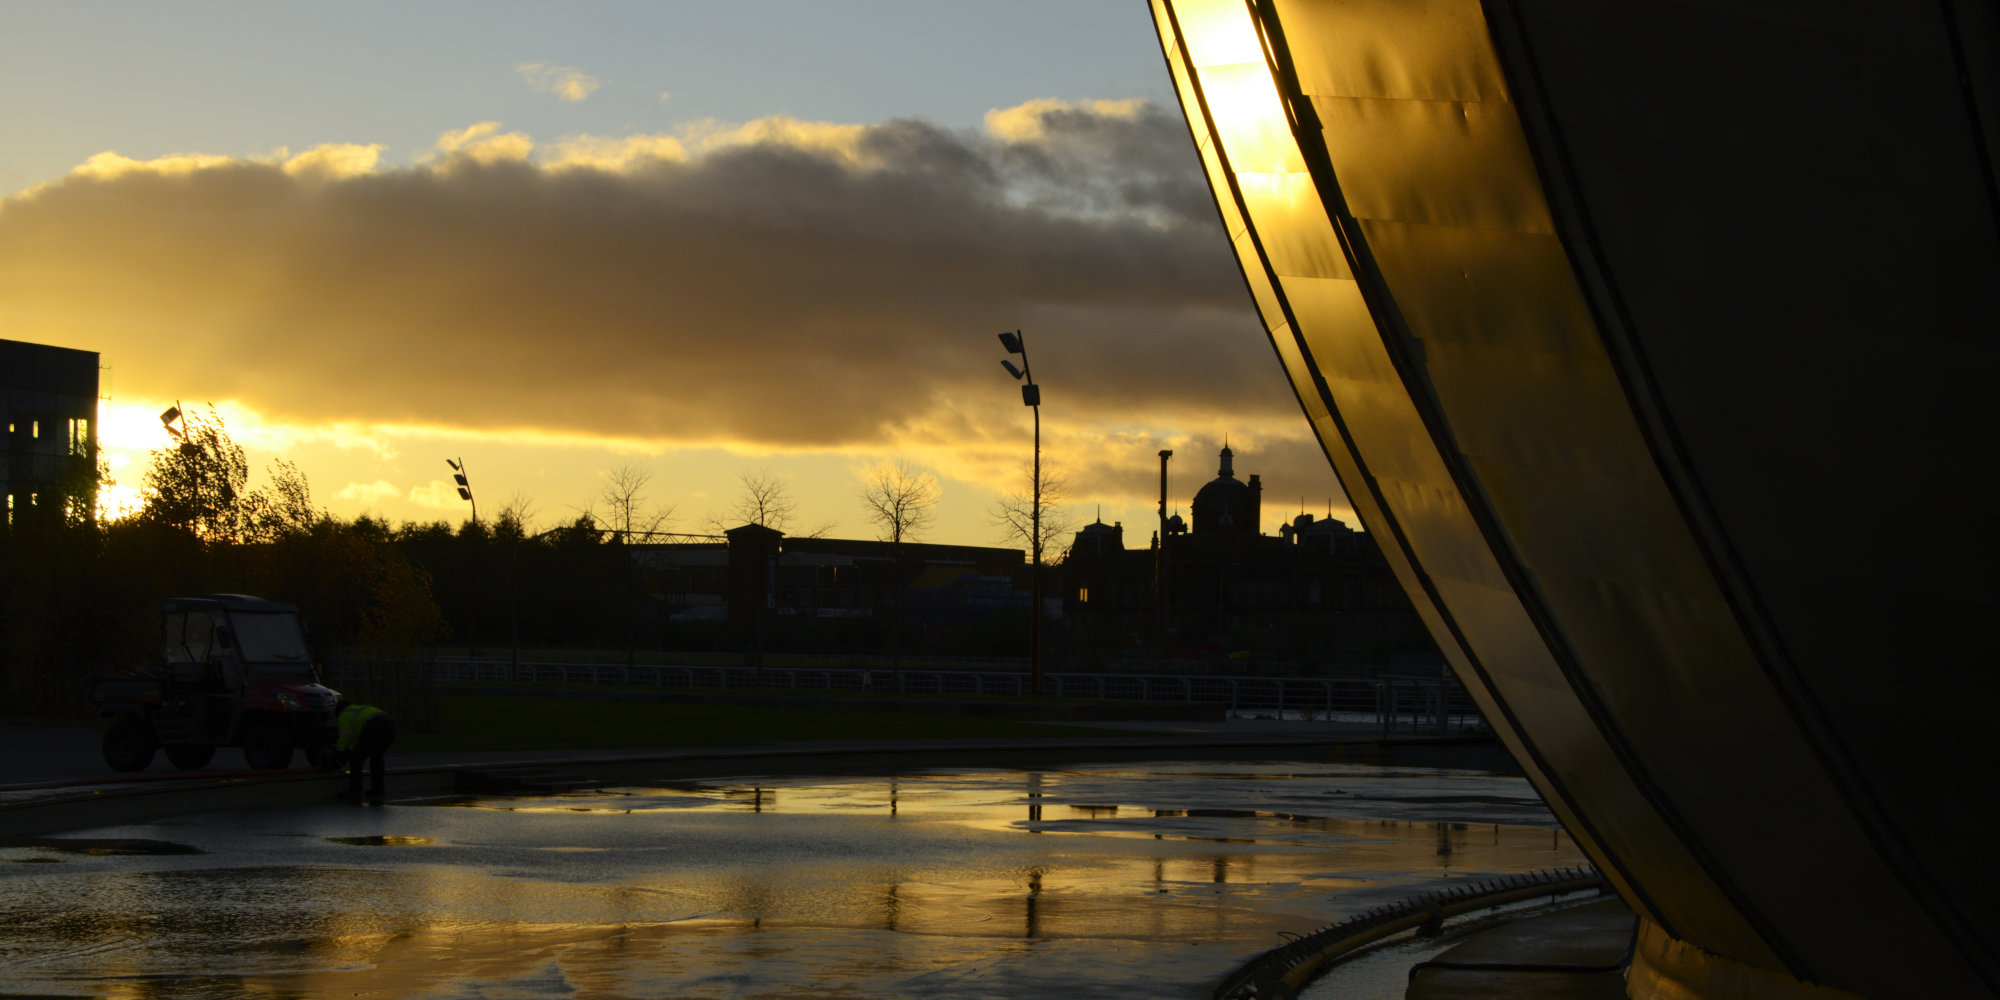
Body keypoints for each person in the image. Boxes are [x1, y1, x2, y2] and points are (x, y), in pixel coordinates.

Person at [334, 698, 397, 804]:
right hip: (390, 726)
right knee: (376, 758)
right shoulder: (359, 710)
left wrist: (338, 752)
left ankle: (355, 794)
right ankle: (378, 793)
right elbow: (356, 739)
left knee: (356, 760)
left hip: (374, 726)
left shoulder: (344, 714)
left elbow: (345, 738)